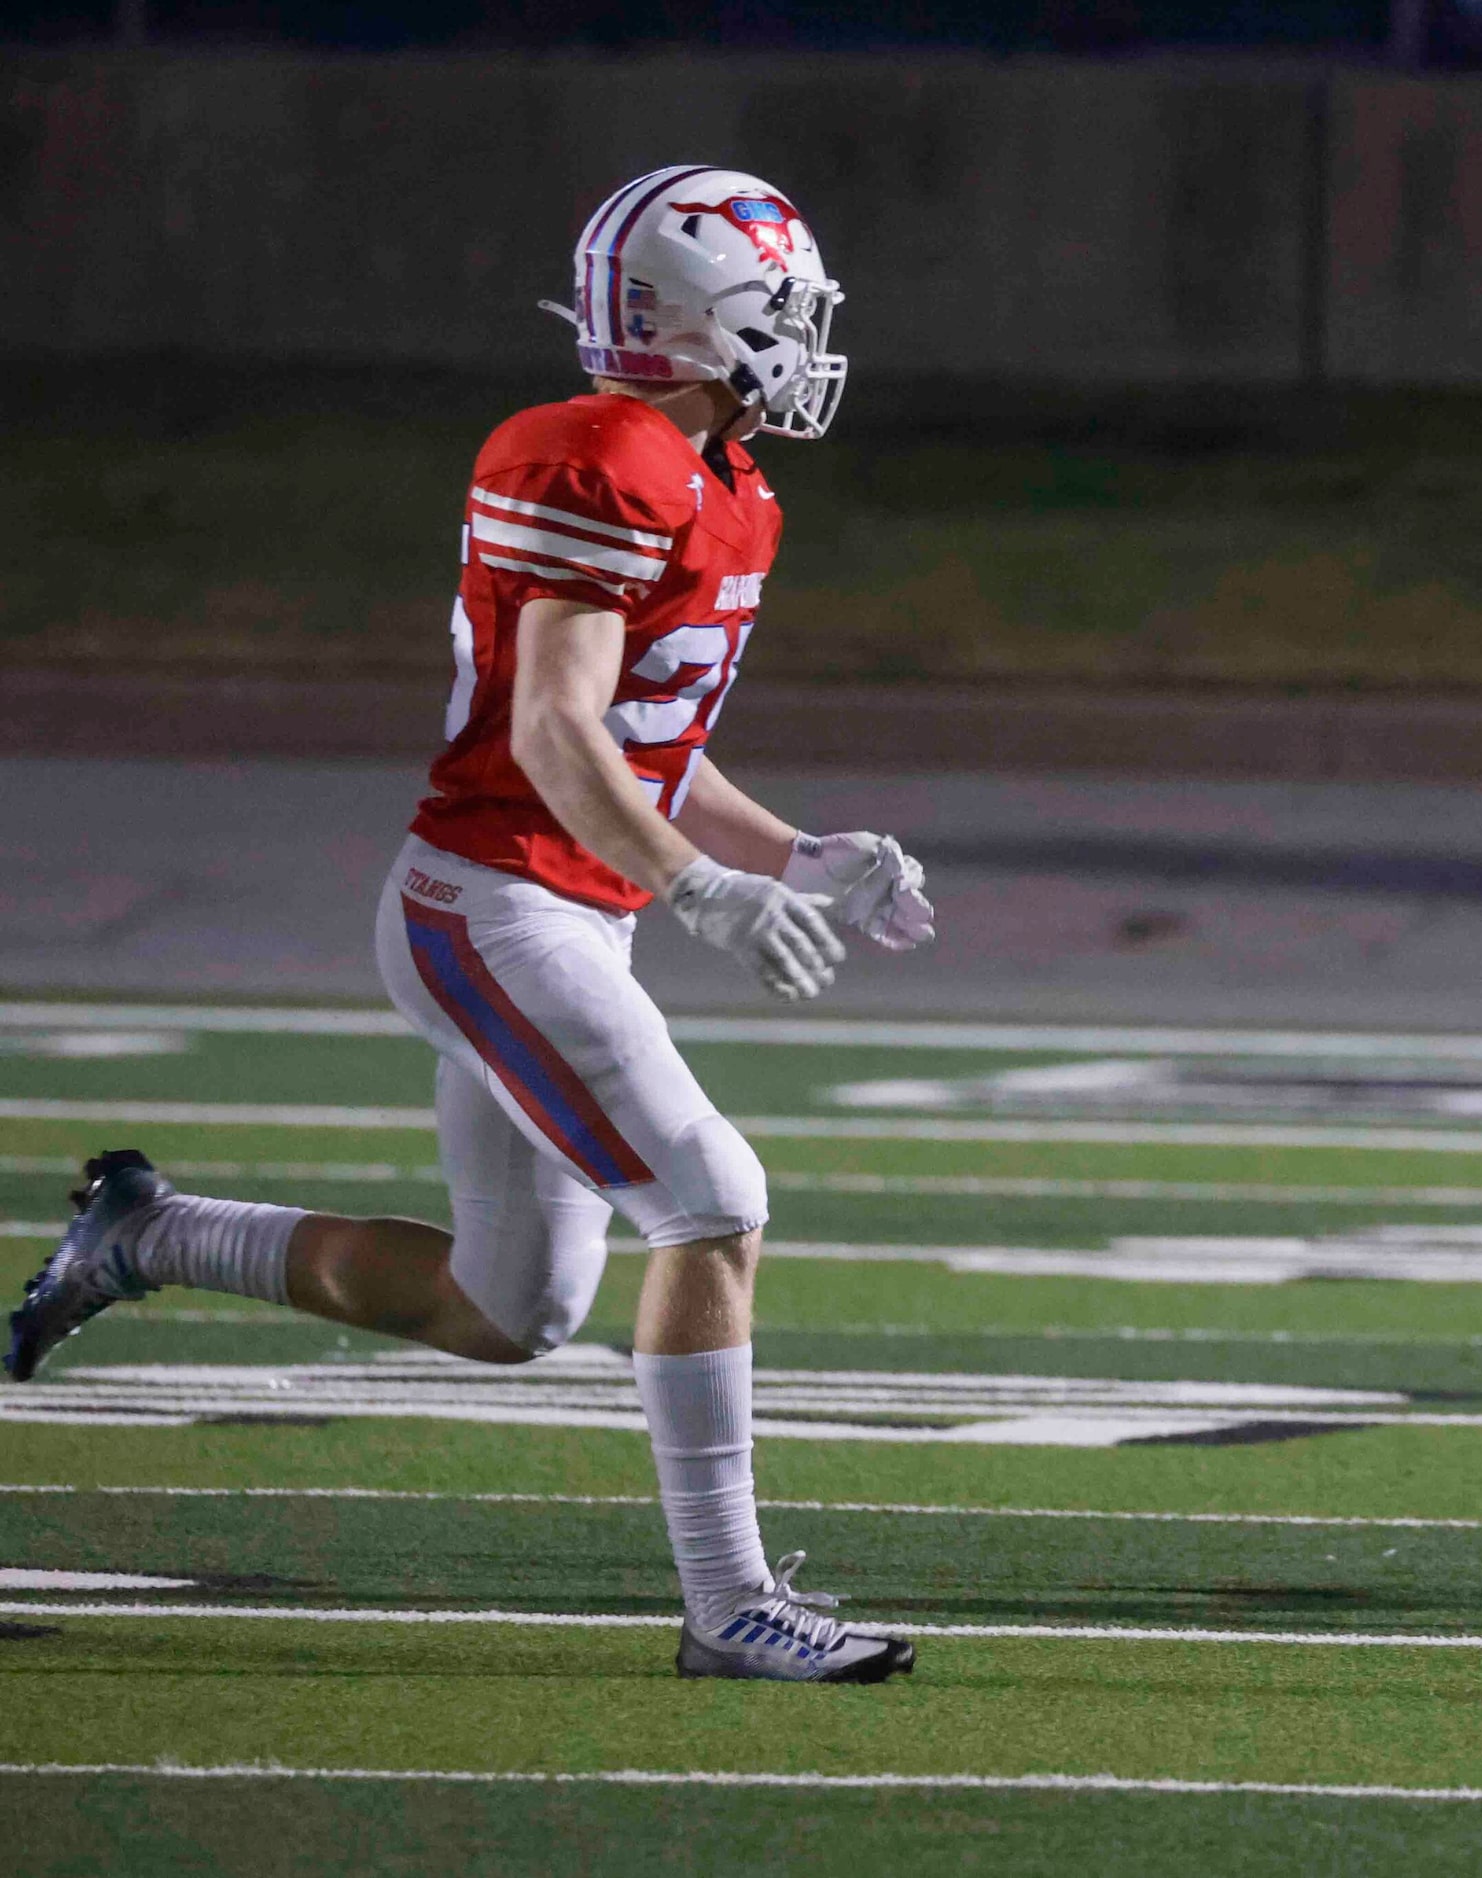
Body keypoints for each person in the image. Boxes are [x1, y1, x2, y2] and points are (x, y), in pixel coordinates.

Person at [10, 167, 935, 1678]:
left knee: (508, 1309)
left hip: (561, 908)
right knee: (711, 1198)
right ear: (701, 318)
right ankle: (730, 1605)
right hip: (495, 902)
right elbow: (560, 733)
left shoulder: (723, 482)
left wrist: (800, 848)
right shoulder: (597, 458)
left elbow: (645, 740)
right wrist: (706, 890)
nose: (807, 334)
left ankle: (148, 1233)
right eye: (784, 305)